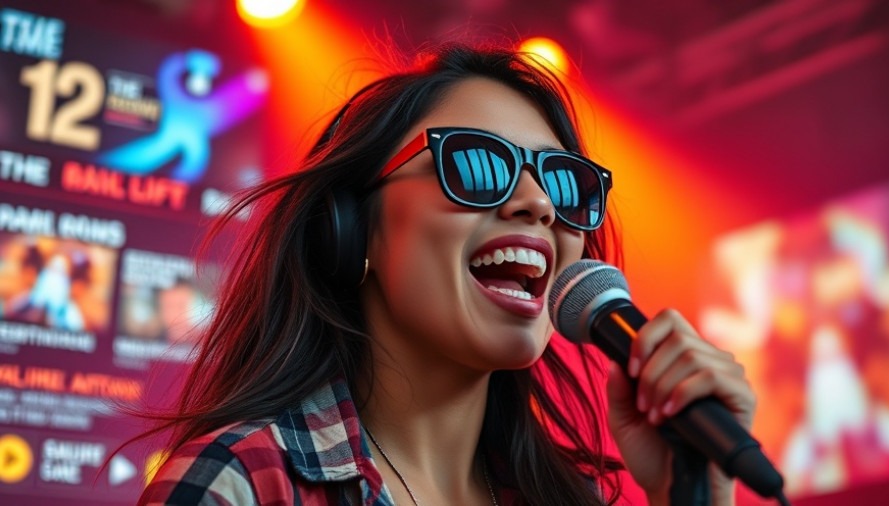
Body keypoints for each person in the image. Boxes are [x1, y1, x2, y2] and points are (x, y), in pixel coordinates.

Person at [137, 42, 756, 505]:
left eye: (566, 183)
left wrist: (694, 491)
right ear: (351, 227)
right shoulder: (241, 482)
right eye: (479, 167)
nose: (539, 204)